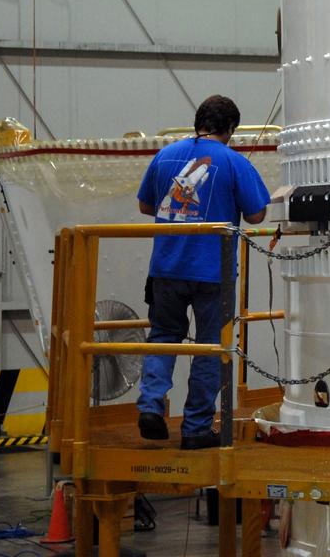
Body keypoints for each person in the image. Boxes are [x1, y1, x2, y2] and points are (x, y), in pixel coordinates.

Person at [136, 96, 270, 449]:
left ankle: (150, 406)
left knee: (163, 336)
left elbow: (145, 204)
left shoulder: (165, 156)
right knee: (210, 347)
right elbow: (257, 216)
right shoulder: (233, 161)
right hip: (213, 271)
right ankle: (195, 428)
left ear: (199, 122)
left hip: (166, 267)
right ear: (230, 129)